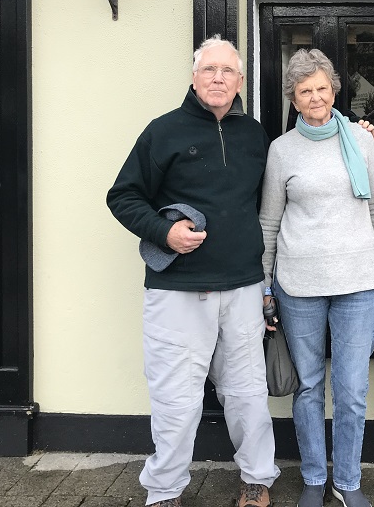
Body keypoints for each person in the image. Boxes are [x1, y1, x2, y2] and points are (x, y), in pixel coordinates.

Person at [106, 36, 280, 507]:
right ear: (193, 77)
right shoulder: (162, 132)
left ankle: (257, 483)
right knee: (176, 401)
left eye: (227, 71)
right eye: (209, 70)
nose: (219, 77)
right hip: (177, 291)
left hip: (243, 288)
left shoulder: (255, 135)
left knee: (247, 395)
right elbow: (122, 197)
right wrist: (165, 233)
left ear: (241, 81)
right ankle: (164, 493)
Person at [259, 48, 374, 507]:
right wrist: (265, 284)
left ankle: (348, 480)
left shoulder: (362, 140)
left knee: (352, 390)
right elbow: (269, 222)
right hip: (298, 286)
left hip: (358, 282)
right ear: (294, 100)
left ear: (334, 89)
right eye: (304, 91)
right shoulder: (281, 150)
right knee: (310, 386)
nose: (315, 97)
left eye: (321, 87)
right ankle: (315, 476)